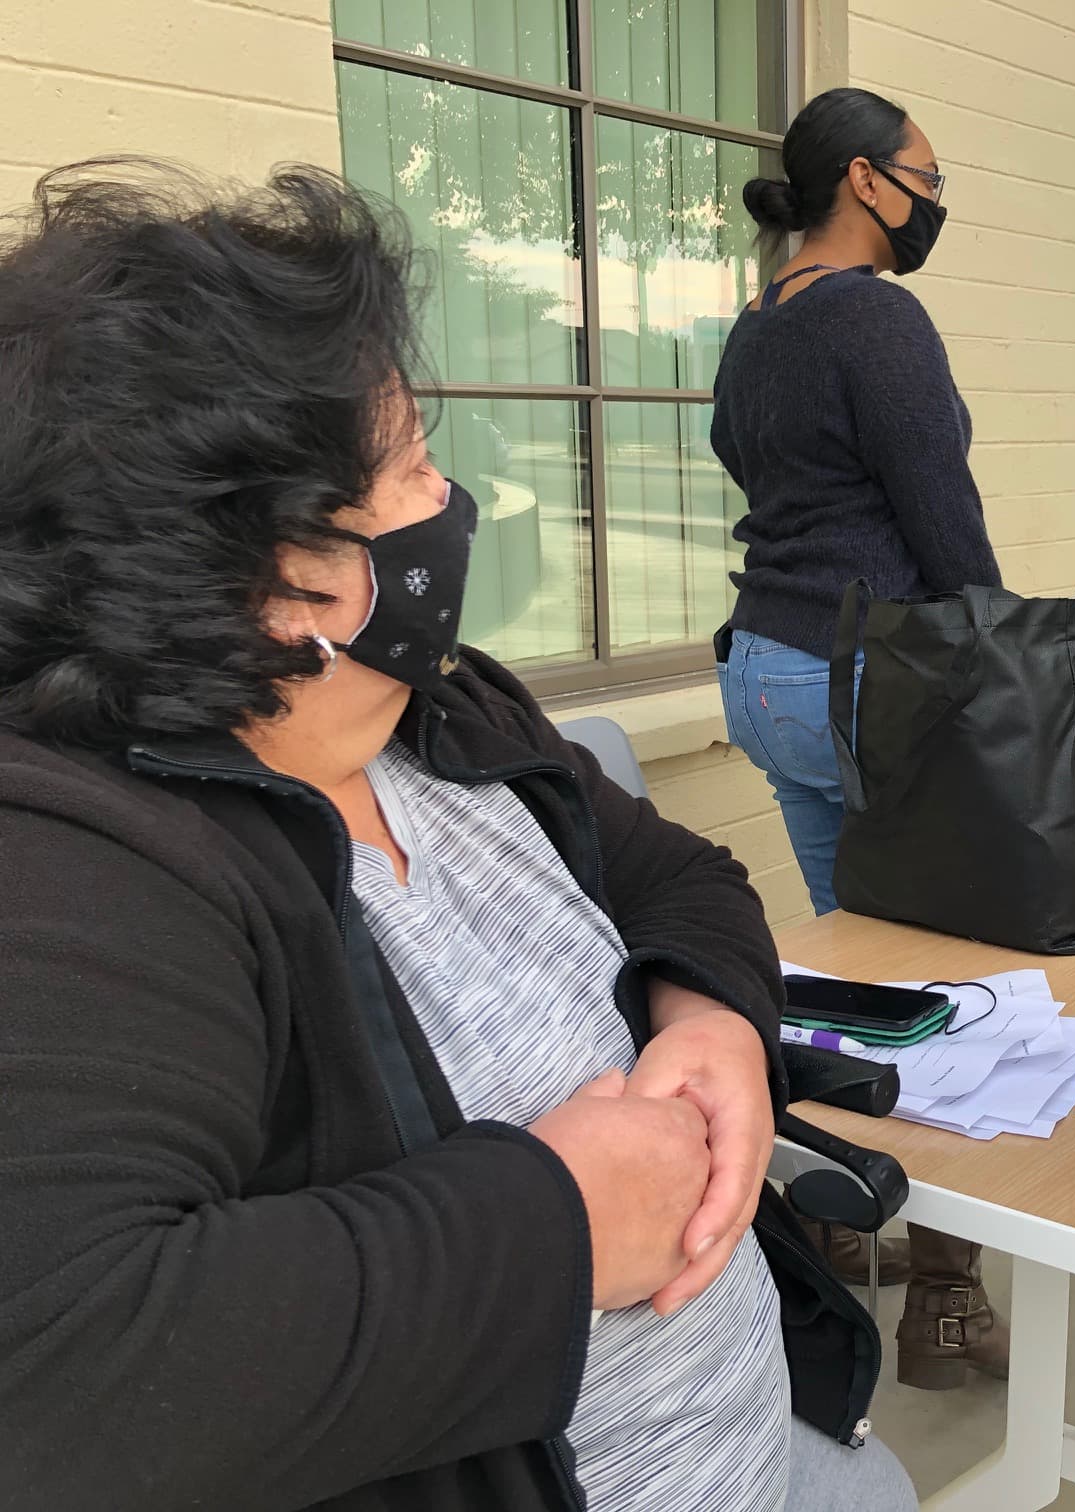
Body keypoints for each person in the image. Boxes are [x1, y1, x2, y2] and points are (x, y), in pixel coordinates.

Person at [0, 163, 915, 1512]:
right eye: (413, 462)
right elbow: (71, 1374)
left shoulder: (446, 711)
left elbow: (681, 876)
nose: (451, 499)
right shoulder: (90, 867)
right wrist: (556, 1226)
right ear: (275, 579)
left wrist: (710, 1018)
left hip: (765, 1451)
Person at [709, 88, 1008, 1390]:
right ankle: (945, 1291)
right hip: (866, 679)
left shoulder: (757, 321)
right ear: (868, 181)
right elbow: (942, 515)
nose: (938, 198)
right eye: (927, 174)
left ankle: (838, 1222)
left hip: (766, 672)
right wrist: (1007, 662)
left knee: (858, 980)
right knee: (946, 987)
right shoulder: (876, 316)